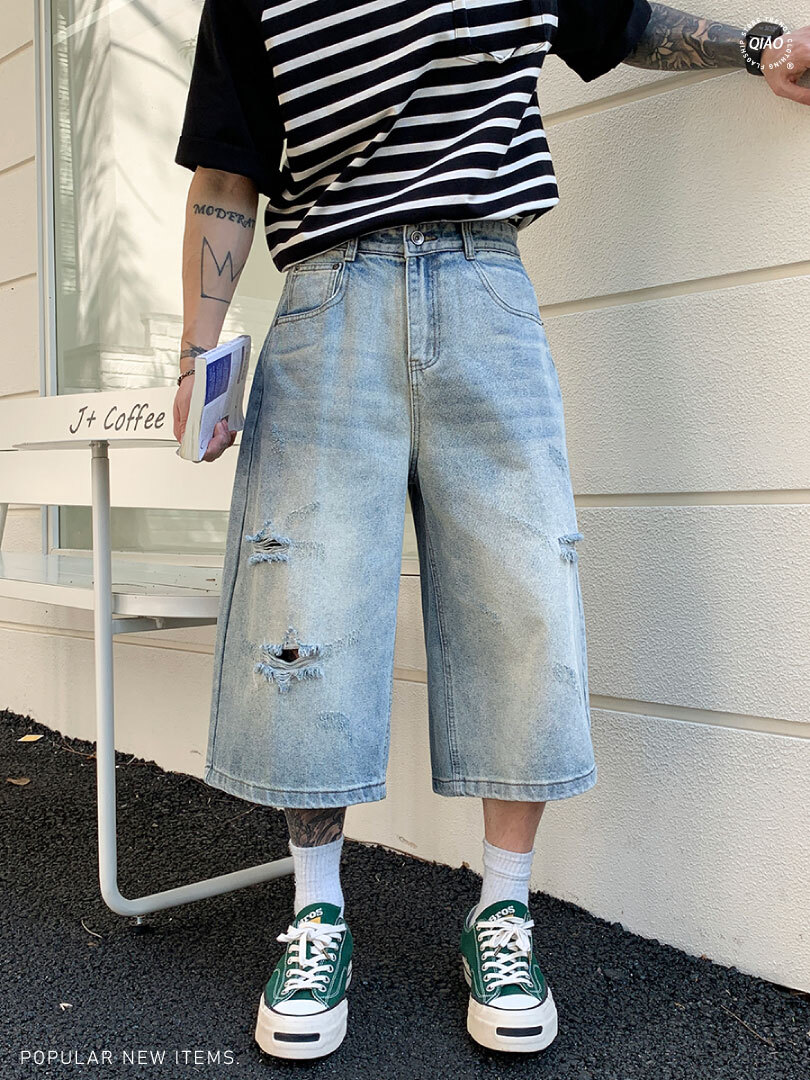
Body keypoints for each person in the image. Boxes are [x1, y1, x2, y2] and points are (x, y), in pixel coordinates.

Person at [172, 1, 809, 1060]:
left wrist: (759, 47)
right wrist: (200, 352)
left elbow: (618, 20)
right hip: (328, 293)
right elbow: (227, 169)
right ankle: (318, 913)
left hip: (485, 283)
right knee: (302, 610)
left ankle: (502, 911)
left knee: (524, 596)